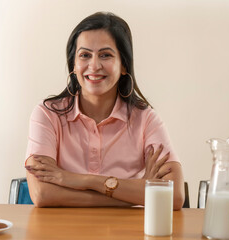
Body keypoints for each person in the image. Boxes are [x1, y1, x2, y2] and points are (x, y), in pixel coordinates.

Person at [25, 12, 185, 209]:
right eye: (84, 55)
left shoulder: (146, 119)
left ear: (124, 65)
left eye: (105, 55)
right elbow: (42, 194)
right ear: (73, 65)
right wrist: (135, 192)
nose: (94, 65)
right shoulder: (47, 114)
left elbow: (175, 196)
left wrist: (82, 180)